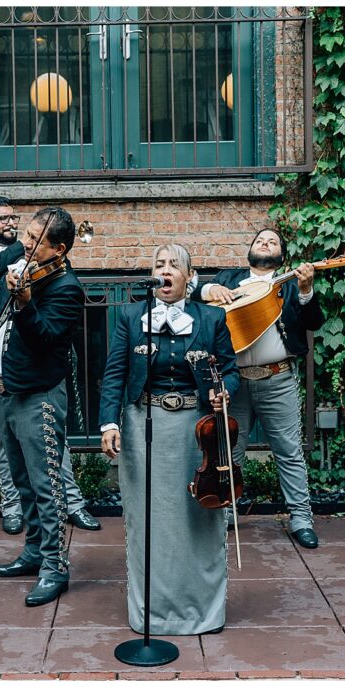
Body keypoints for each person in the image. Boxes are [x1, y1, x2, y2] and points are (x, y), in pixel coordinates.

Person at [99, 243, 240, 635]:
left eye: (173, 265)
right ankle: (152, 614)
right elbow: (114, 375)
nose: (164, 271)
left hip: (197, 430)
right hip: (144, 423)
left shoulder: (210, 318)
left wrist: (223, 391)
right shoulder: (130, 316)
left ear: (189, 278)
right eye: (158, 265)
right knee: (150, 519)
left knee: (199, 514)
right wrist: (109, 423)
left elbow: (230, 371)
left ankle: (203, 612)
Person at [0, 196, 100, 535]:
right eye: (3, 219)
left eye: (29, 234)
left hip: (33, 377)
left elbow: (45, 330)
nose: (19, 234)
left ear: (57, 250)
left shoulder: (51, 278)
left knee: (47, 453)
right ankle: (14, 508)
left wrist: (26, 297)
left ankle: (66, 519)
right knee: (7, 444)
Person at [0, 207, 85, 606]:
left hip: (39, 397)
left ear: (60, 249)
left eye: (36, 241)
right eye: (28, 235)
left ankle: (55, 566)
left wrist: (26, 303)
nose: (26, 244)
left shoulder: (67, 288)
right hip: (7, 391)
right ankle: (34, 551)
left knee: (46, 484)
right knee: (21, 480)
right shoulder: (18, 268)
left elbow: (47, 338)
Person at [194, 228, 325, 548]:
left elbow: (314, 321)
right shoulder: (230, 277)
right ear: (250, 250)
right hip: (234, 380)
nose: (265, 244)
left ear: (281, 255)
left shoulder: (291, 285)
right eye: (260, 240)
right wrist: (213, 288)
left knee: (289, 451)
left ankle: (301, 518)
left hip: (276, 379)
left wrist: (307, 290)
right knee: (228, 450)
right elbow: (194, 285)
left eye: (273, 242)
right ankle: (224, 513)